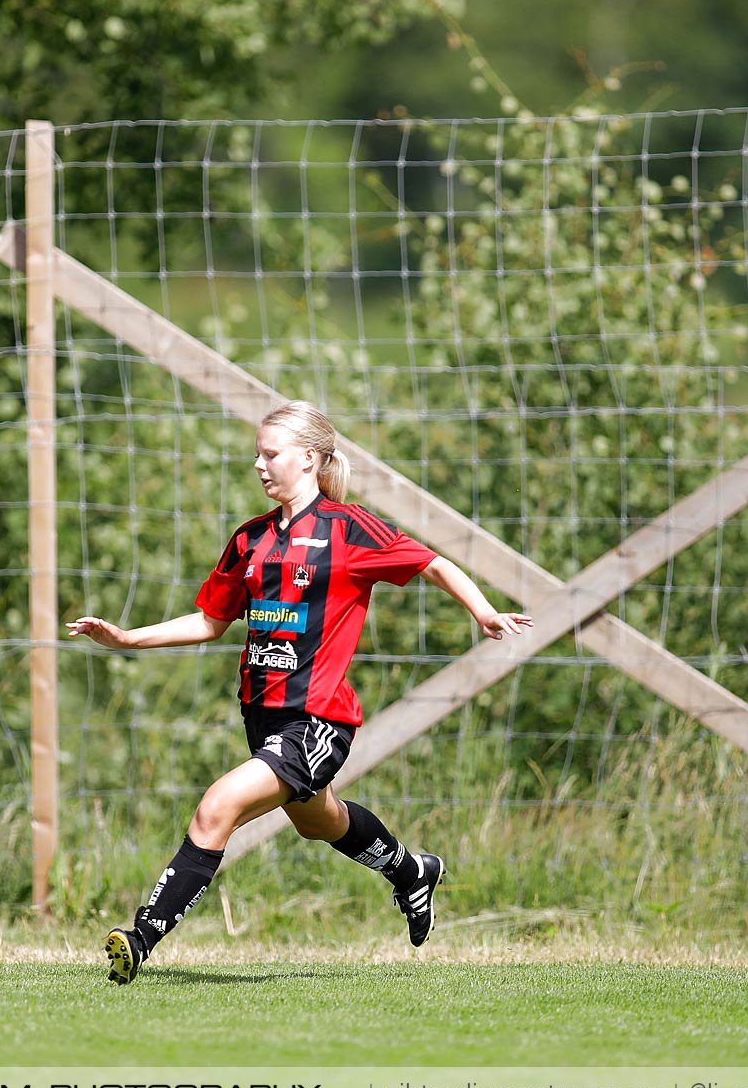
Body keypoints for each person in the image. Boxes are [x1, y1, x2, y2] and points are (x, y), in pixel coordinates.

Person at [67, 401, 533, 984]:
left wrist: (484, 612)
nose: (259, 465)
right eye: (257, 455)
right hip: (262, 718)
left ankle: (139, 938)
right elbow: (211, 621)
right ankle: (413, 871)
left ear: (309, 459)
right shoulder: (250, 540)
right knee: (318, 822)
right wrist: (129, 638)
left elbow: (433, 564)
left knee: (218, 807)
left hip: (318, 720)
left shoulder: (349, 528)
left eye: (271, 454)